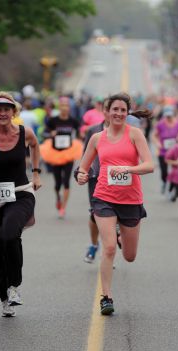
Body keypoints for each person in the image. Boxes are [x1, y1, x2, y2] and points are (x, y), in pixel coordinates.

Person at [76, 92, 154, 315]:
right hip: (104, 198)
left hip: (131, 200)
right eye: (115, 109)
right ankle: (106, 297)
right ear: (106, 113)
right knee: (109, 248)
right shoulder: (97, 138)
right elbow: (84, 167)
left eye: (122, 110)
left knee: (130, 256)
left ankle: (121, 232)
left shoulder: (135, 134)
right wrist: (81, 175)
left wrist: (128, 169)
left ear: (127, 113)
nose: (119, 113)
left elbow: (149, 165)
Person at [0, 91, 41, 317]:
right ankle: (5, 299)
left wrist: (37, 173)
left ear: (13, 112)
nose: (2, 113)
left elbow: (35, 146)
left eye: (6, 109)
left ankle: (14, 285)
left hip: (20, 195)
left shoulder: (24, 133)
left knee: (9, 233)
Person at [41, 96, 82, 218]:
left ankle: (63, 208)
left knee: (66, 182)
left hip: (69, 153)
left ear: (69, 108)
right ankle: (58, 198)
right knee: (58, 182)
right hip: (55, 154)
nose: (65, 108)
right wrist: (50, 134)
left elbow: (79, 134)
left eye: (67, 106)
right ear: (60, 108)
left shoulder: (73, 121)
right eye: (62, 106)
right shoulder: (53, 120)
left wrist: (80, 137)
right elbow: (44, 133)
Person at [82, 98, 109, 263]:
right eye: (108, 109)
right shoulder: (93, 131)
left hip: (117, 180)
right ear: (103, 110)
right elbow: (86, 155)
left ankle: (108, 252)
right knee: (95, 213)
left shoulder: (129, 132)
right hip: (96, 177)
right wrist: (82, 172)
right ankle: (93, 244)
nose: (112, 113)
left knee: (114, 216)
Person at [152, 106, 178, 194]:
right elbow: (154, 135)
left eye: (170, 116)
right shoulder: (160, 124)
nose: (168, 117)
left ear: (173, 114)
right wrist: (157, 144)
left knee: (176, 170)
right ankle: (164, 182)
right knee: (164, 172)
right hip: (163, 152)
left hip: (175, 152)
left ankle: (173, 187)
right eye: (167, 116)